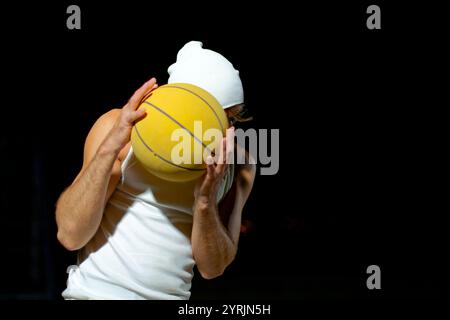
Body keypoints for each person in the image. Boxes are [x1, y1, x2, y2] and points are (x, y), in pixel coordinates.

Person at [55, 41, 256, 299]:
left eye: (231, 119)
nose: (225, 130)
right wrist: (109, 151)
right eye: (216, 117)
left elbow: (212, 268)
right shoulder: (118, 128)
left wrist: (205, 201)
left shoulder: (238, 163)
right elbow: (70, 234)